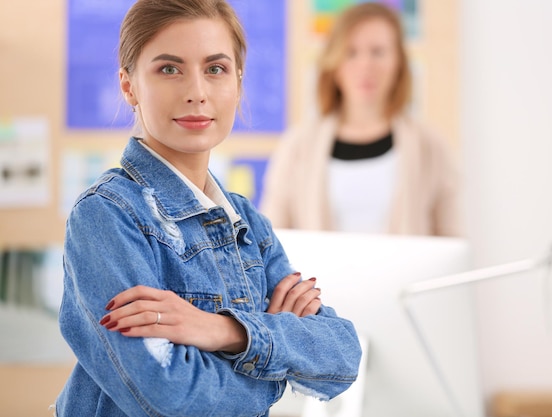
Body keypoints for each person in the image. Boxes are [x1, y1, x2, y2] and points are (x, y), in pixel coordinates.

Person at [53, 1, 361, 416]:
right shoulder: (106, 216)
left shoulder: (247, 222)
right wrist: (274, 368)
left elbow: (342, 357)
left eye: (215, 69)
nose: (196, 92)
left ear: (237, 82)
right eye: (169, 69)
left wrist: (222, 330)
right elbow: (169, 400)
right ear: (129, 86)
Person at [261, 2, 461, 236]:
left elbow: (454, 240)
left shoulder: (431, 146)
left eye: (378, 52)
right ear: (334, 63)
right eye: (351, 52)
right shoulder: (297, 147)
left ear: (399, 63)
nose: (365, 65)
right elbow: (272, 243)